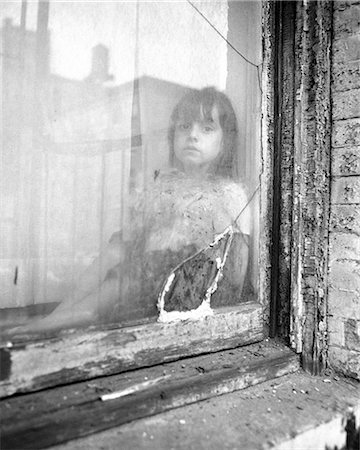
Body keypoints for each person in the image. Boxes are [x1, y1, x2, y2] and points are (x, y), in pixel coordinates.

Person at [13, 86, 251, 333]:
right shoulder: (166, 185)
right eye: (184, 126)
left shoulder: (227, 193)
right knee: (117, 248)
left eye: (207, 128)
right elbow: (138, 232)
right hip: (146, 273)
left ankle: (74, 314)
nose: (192, 135)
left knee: (126, 270)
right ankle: (62, 312)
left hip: (185, 290)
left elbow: (235, 266)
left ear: (225, 143)